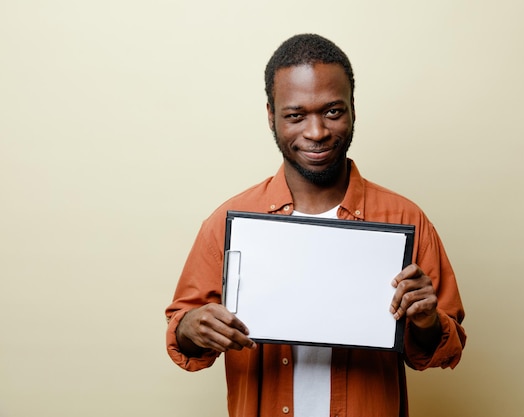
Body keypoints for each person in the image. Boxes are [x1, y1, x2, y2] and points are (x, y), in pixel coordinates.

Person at [165, 33, 466, 417]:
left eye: (332, 111)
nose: (317, 132)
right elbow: (181, 335)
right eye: (295, 115)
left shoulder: (406, 219)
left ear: (353, 108)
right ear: (271, 115)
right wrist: (192, 326)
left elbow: (444, 348)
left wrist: (424, 321)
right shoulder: (227, 222)